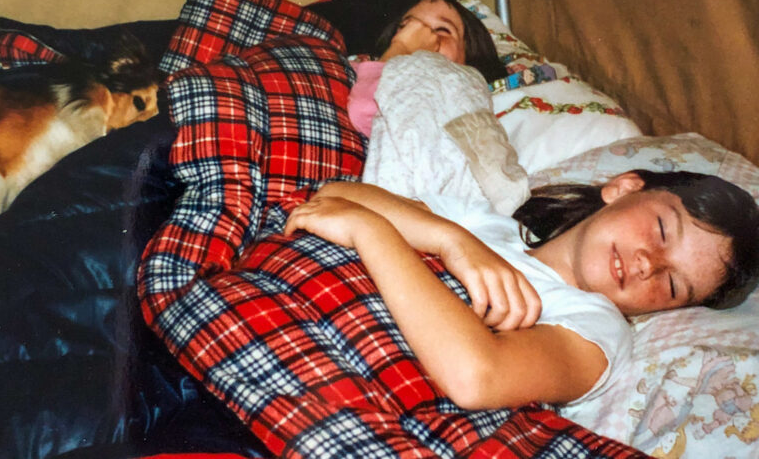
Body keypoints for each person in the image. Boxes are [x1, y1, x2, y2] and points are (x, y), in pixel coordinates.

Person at [283, 170, 759, 412]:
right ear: (624, 187)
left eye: (672, 284)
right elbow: (337, 196)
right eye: (660, 230)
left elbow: (476, 378)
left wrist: (375, 234)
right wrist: (454, 242)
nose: (647, 264)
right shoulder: (484, 226)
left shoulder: (598, 329)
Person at [347, 0, 507, 137]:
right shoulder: (355, 70)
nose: (420, 38)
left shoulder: (460, 93)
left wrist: (403, 47)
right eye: (406, 28)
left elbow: (365, 110)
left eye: (442, 30)